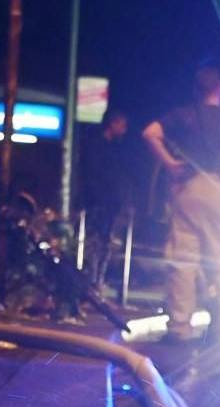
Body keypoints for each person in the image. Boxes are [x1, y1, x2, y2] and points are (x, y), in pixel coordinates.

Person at [141, 65, 220, 344]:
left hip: (187, 188)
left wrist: (169, 163)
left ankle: (179, 327)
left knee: (183, 260)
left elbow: (149, 133)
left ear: (196, 88)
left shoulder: (184, 114)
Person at [77, 109, 134, 297]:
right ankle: (93, 281)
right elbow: (98, 175)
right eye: (122, 125)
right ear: (113, 123)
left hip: (106, 202)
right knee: (97, 242)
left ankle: (96, 280)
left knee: (103, 242)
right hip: (100, 201)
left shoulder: (109, 147)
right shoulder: (101, 147)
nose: (124, 130)